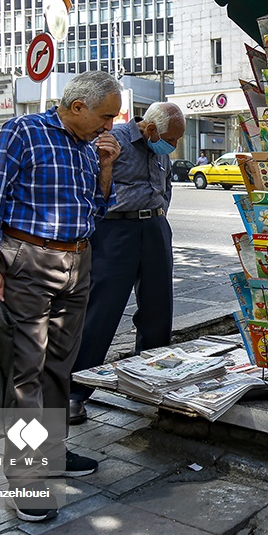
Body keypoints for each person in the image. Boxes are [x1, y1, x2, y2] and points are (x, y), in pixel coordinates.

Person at [0, 71, 122, 522]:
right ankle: (26, 480)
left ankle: (51, 453)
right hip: (29, 262)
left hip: (77, 262)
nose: (109, 125)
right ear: (77, 107)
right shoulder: (22, 132)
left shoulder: (87, 146)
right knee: (26, 371)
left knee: (59, 365)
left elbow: (95, 208)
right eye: (105, 115)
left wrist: (106, 168)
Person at [68, 102, 186, 425]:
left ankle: (151, 382)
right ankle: (74, 392)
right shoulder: (113, 138)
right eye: (170, 140)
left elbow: (165, 187)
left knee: (158, 311)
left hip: (155, 227)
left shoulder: (160, 144)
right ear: (150, 129)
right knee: (101, 311)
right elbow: (90, 185)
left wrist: (158, 216)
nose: (172, 147)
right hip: (116, 230)